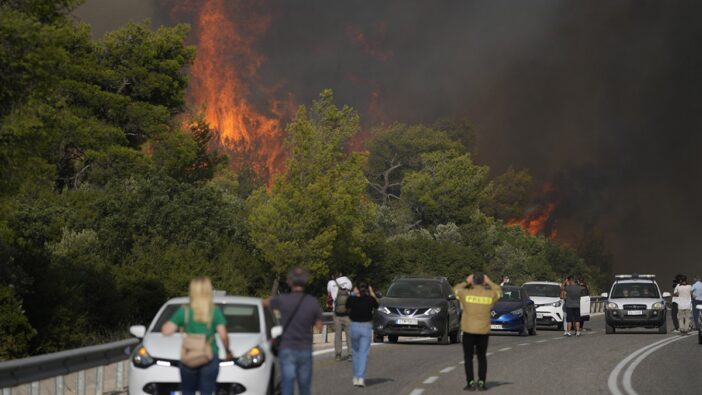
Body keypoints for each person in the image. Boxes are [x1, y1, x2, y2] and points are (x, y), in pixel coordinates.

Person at [161, 277, 232, 395]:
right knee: (207, 391)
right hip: (209, 355)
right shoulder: (214, 311)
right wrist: (228, 351)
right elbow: (223, 335)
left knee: (188, 390)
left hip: (190, 355)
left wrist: (180, 324)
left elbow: (166, 331)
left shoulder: (185, 311)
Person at [266, 267, 323, 395]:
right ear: (305, 282)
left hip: (287, 347)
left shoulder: (282, 300)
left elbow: (265, 303)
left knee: (287, 383)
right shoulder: (312, 302)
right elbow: (320, 326)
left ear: (290, 282)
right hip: (305, 348)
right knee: (304, 386)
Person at [454, 272, 502, 391]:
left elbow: (455, 290)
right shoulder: (489, 295)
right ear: (483, 282)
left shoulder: (466, 293)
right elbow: (500, 292)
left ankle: (470, 382)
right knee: (481, 357)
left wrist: (466, 281)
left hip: (469, 330)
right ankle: (481, 382)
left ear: (473, 281)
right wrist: (489, 281)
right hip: (483, 331)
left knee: (468, 357)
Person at [345, 281, 379, 387]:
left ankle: (355, 377)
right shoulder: (370, 299)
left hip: (354, 326)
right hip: (366, 327)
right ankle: (360, 377)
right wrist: (372, 293)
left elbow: (346, 306)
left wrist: (354, 293)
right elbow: (377, 305)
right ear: (367, 289)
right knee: (363, 353)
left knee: (355, 352)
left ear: (357, 288)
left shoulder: (352, 299)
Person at [327, 271, 353, 361]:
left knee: (338, 334)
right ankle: (350, 354)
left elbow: (329, 294)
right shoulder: (348, 281)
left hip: (336, 312)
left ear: (333, 276)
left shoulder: (331, 283)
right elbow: (351, 290)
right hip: (348, 313)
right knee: (349, 334)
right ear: (341, 274)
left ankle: (338, 355)